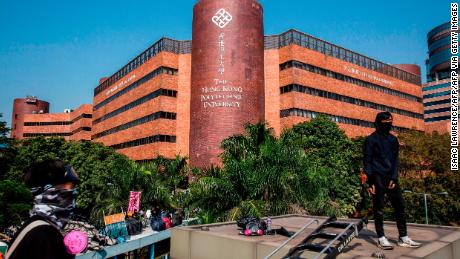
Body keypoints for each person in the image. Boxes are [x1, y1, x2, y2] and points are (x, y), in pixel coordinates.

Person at [363, 112, 421, 250]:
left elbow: (396, 160)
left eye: (390, 122)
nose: (388, 125)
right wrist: (370, 182)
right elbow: (367, 161)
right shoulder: (370, 140)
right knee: (379, 209)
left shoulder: (393, 140)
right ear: (378, 123)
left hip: (391, 178)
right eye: (385, 123)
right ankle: (381, 238)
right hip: (377, 177)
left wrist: (394, 177)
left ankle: (403, 237)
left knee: (400, 207)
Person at [6, 159, 80, 259]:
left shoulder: (35, 227)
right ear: (48, 191)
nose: (72, 195)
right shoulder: (44, 234)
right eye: (66, 191)